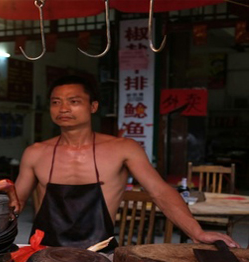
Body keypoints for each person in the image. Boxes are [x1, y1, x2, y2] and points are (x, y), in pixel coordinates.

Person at [14, 75, 239, 249]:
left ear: (93, 107)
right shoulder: (36, 153)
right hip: (43, 253)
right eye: (56, 102)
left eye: (74, 101)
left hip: (100, 254)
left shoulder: (122, 149)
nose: (63, 108)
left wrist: (197, 232)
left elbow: (159, 192)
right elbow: (15, 203)